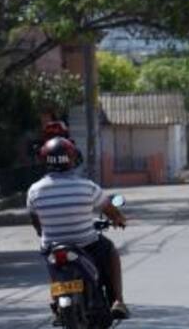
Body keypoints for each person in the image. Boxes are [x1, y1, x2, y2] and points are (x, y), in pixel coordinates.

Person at [27, 137, 130, 319]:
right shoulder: (86, 186)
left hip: (52, 245)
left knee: (50, 261)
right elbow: (109, 210)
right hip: (86, 244)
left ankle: (56, 301)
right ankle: (118, 301)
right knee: (111, 251)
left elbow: (36, 220)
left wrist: (42, 233)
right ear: (72, 159)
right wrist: (119, 219)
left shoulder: (34, 190)